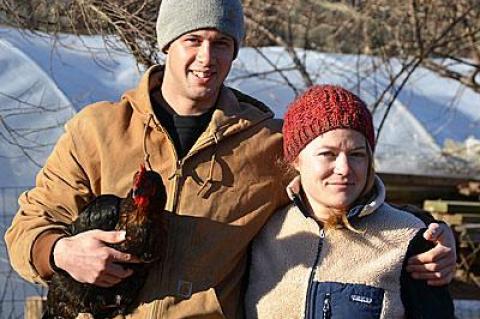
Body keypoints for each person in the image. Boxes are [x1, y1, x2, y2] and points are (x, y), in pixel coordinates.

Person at [5, 1, 455, 318]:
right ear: (168, 44)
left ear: (235, 50)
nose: (207, 57)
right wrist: (61, 251)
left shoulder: (265, 142)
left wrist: (427, 236)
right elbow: (28, 228)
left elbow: (339, 190)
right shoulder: (99, 130)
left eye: (222, 42)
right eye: (193, 40)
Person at [245, 85, 455, 318]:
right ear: (296, 159)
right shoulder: (264, 231)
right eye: (328, 154)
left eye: (356, 155)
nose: (344, 169)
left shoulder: (409, 239)